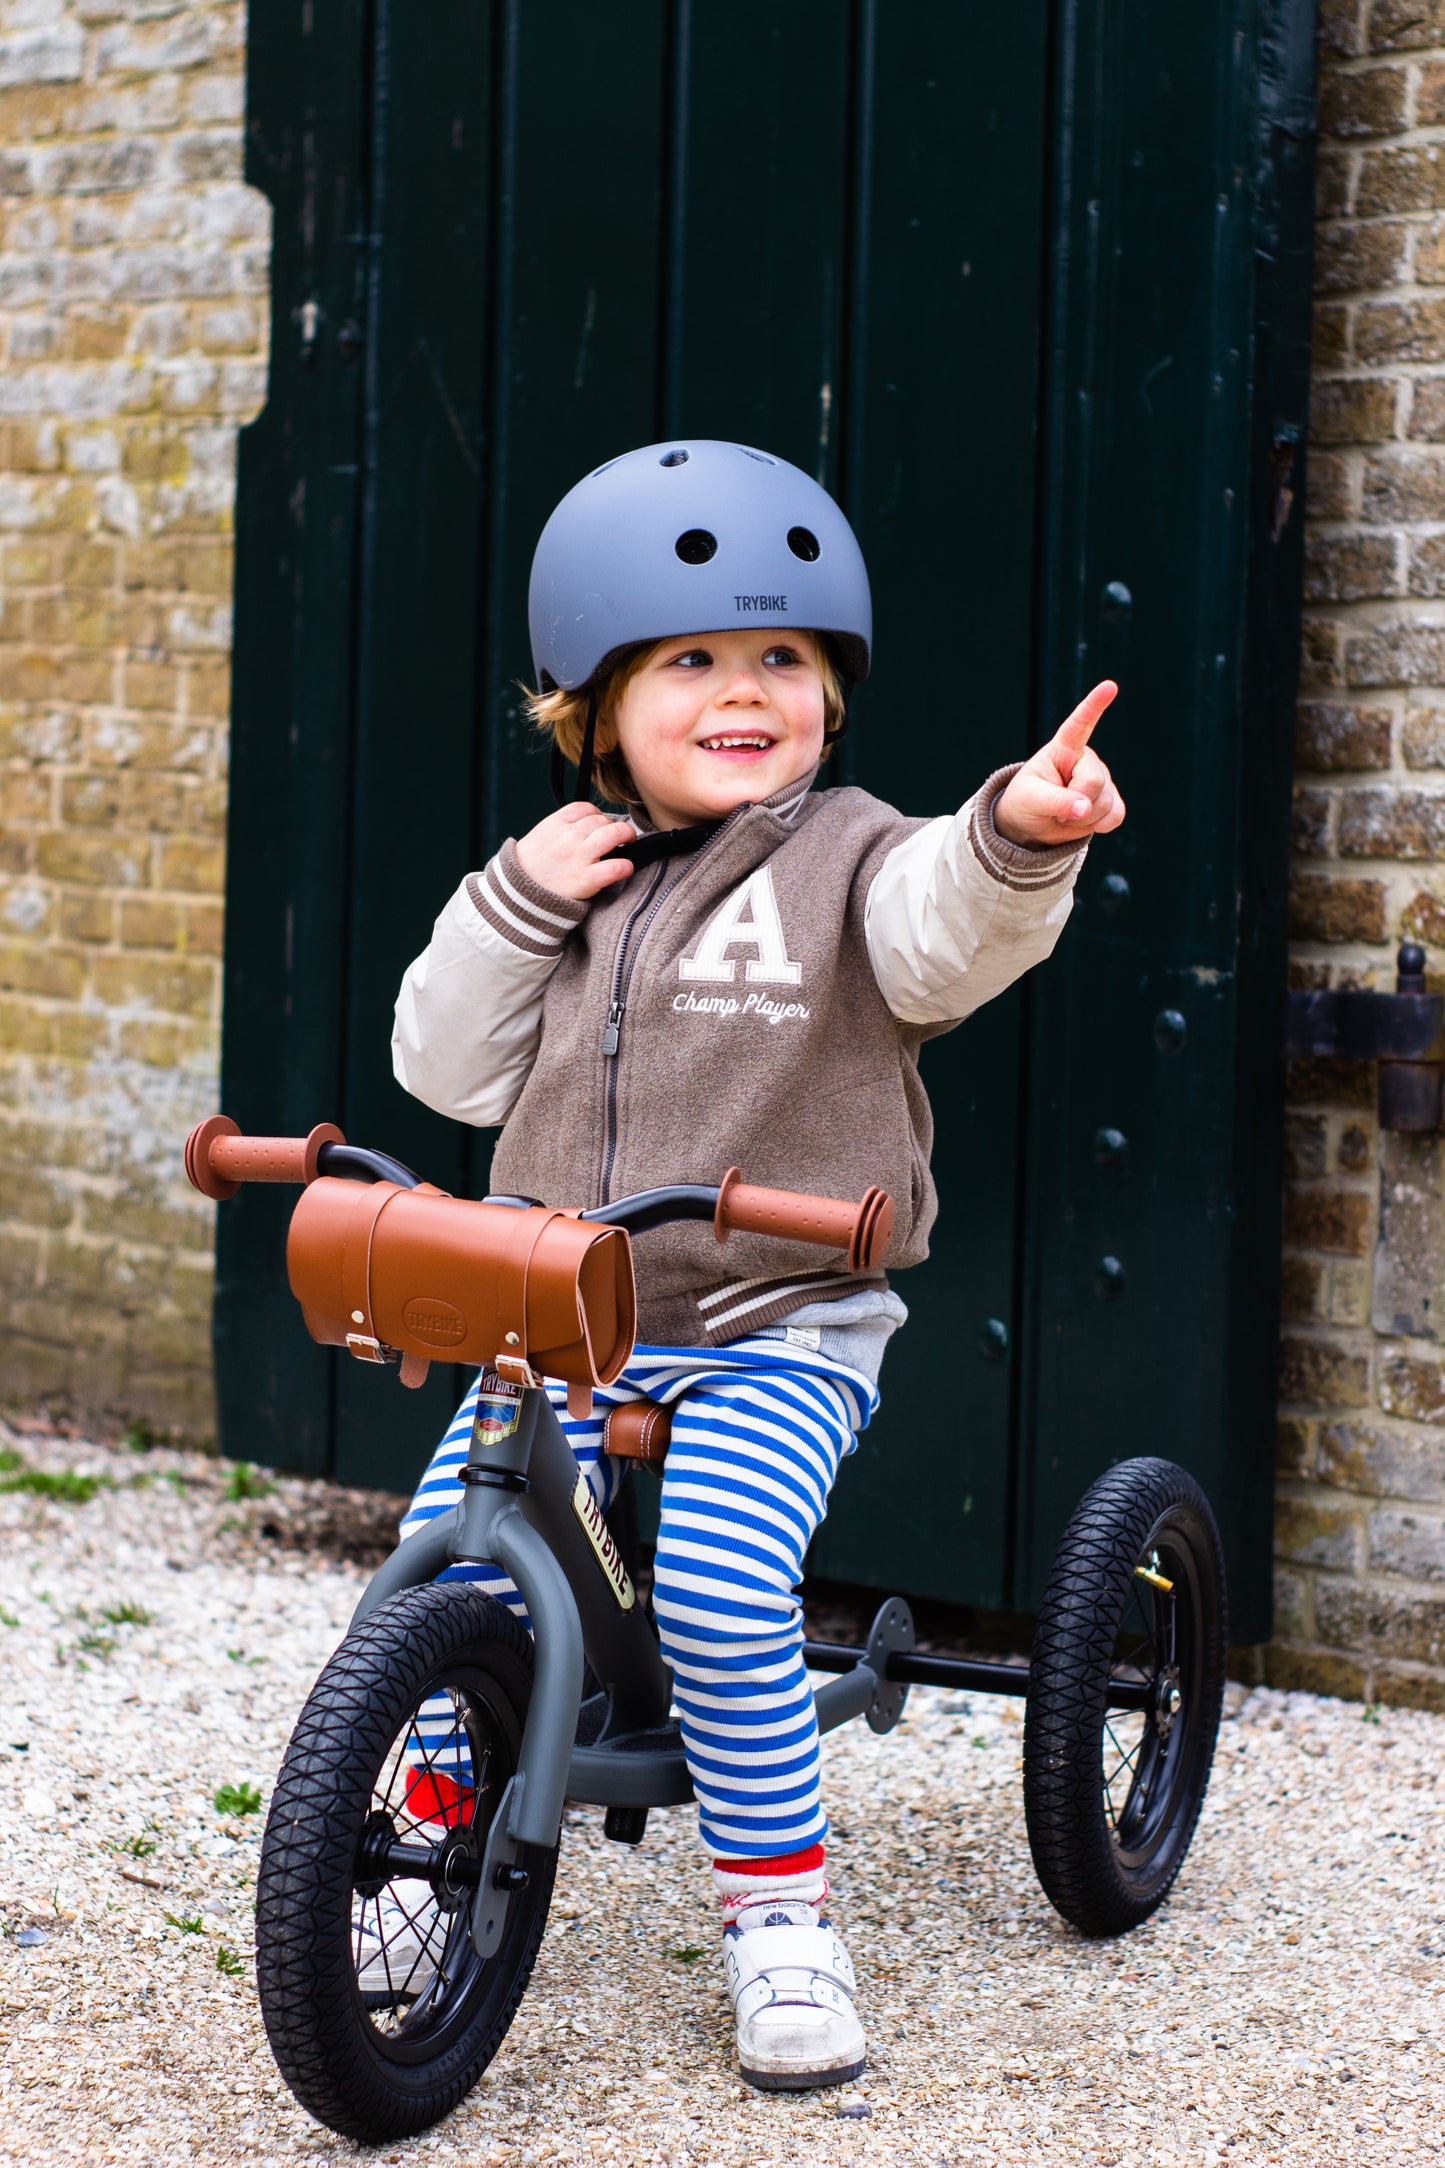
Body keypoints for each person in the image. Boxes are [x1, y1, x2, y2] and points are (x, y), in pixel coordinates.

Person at [385, 439, 1125, 2091]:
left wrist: (1017, 830)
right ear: (592, 706)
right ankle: (427, 1813)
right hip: (564, 1321)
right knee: (453, 1561)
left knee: (722, 1592)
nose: (745, 690)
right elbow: (440, 1073)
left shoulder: (853, 857)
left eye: (781, 658)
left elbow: (948, 924)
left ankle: (778, 1916)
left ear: (830, 695)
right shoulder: (563, 872)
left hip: (781, 1320)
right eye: (691, 660)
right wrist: (511, 903)